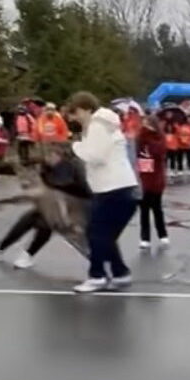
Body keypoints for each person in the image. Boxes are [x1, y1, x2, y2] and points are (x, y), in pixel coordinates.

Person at [68, 91, 139, 294]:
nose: (73, 118)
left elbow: (96, 156)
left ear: (86, 109)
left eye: (76, 113)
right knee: (103, 235)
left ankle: (97, 276)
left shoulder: (98, 125)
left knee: (96, 233)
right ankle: (120, 272)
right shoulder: (99, 125)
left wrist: (75, 146)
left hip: (114, 188)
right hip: (116, 188)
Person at [0, 147, 92, 269]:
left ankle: (102, 267)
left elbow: (58, 186)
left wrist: (0, 202)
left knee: (72, 236)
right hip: (61, 205)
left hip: (80, 206)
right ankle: (10, 251)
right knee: (34, 218)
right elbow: (25, 168)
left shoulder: (69, 167)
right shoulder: (49, 167)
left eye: (50, 156)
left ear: (58, 155)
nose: (47, 159)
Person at [137, 115, 169, 249]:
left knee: (157, 208)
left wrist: (150, 136)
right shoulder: (140, 138)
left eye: (148, 124)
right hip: (143, 174)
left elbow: (159, 152)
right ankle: (145, 238)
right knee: (144, 209)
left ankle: (162, 234)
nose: (145, 126)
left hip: (156, 175)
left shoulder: (159, 137)